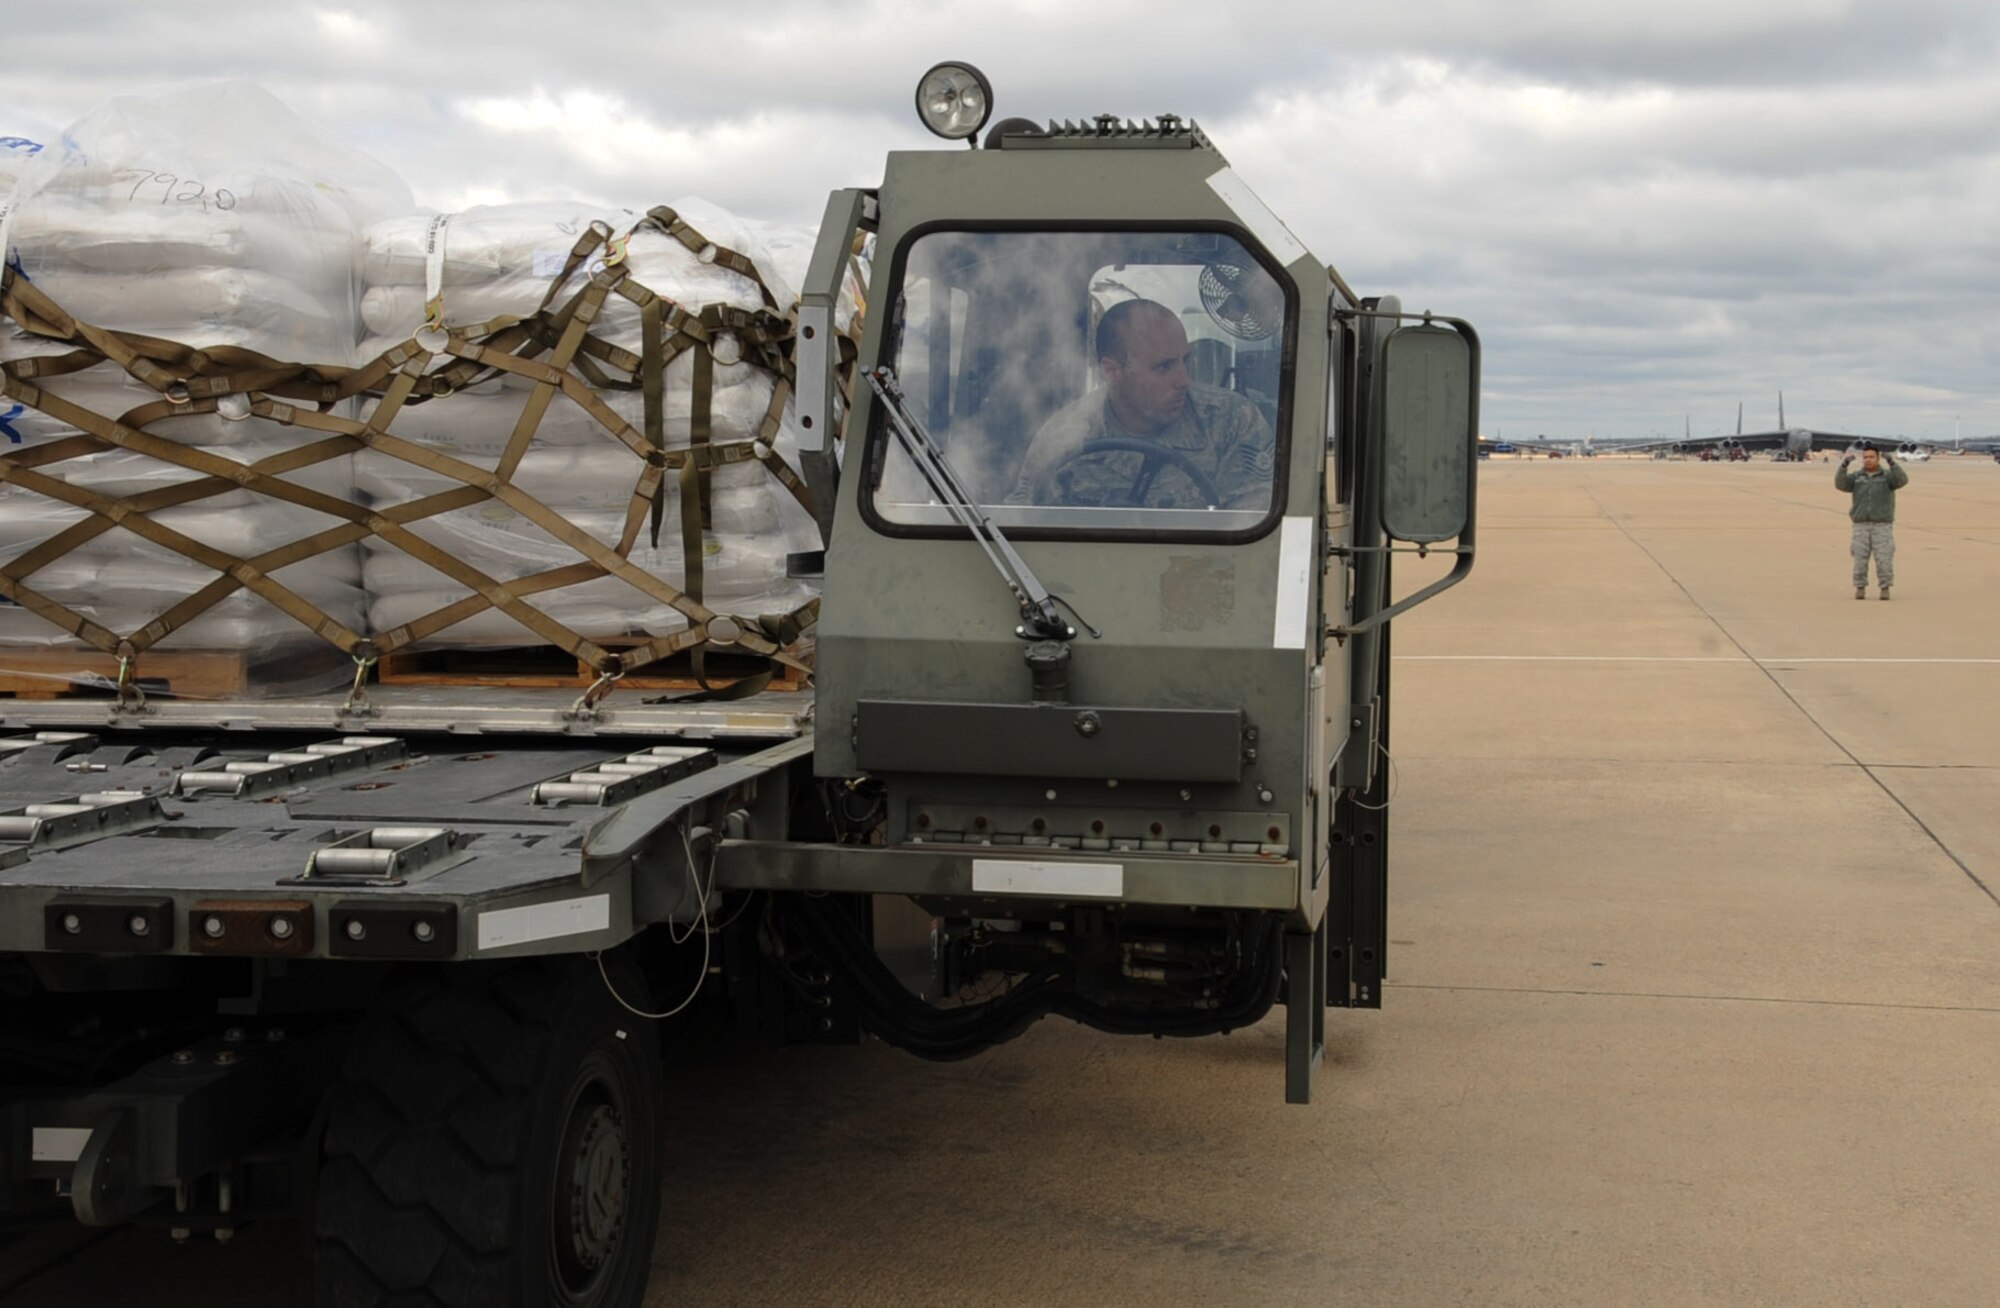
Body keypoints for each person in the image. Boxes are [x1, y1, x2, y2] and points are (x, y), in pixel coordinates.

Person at [1009, 298, 1276, 510]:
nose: (1184, 380)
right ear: (1113, 372)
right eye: (1164, 367)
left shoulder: (1230, 420)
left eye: (1185, 360)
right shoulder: (1063, 438)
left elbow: (1255, 532)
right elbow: (1021, 529)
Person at [1834, 443, 1908, 600]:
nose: (1868, 460)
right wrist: (1844, 466)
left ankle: (1885, 588)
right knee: (1859, 559)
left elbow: (1902, 481)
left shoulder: (1887, 477)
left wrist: (1893, 463)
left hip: (1882, 525)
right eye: (1865, 457)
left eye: (1871, 457)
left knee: (1884, 559)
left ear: (1878, 458)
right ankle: (1860, 587)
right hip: (1861, 525)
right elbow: (1841, 484)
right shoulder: (1857, 477)